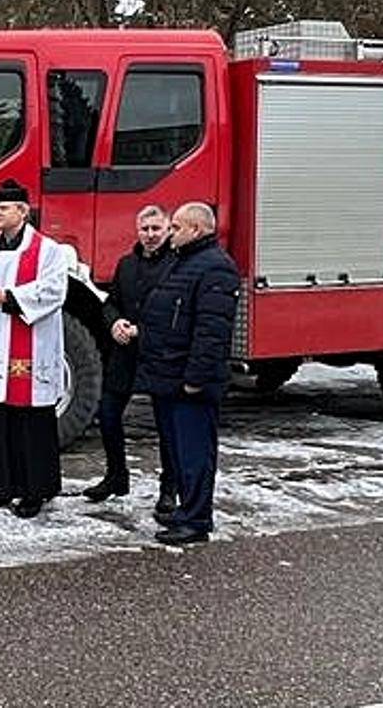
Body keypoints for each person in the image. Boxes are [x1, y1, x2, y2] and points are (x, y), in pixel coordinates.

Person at [0, 179, 70, 520]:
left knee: (29, 420)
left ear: (22, 211)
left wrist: (9, 297)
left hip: (30, 346)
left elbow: (55, 289)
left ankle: (34, 490)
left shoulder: (48, 250)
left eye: (3, 209)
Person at [135, 202, 240, 546]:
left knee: (195, 453)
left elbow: (211, 331)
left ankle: (196, 520)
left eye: (177, 227)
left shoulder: (215, 269)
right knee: (178, 452)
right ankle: (184, 512)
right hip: (168, 376)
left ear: (197, 230)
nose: (170, 233)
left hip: (189, 382)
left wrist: (196, 377)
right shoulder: (182, 262)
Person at [83, 206, 177, 509]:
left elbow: (178, 313)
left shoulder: (177, 265)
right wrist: (114, 322)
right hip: (124, 354)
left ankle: (169, 488)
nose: (150, 235)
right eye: (145, 229)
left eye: (156, 229)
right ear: (137, 230)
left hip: (159, 354)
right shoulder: (126, 264)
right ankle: (116, 476)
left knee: (166, 426)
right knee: (108, 415)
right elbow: (111, 303)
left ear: (168, 230)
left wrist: (142, 329)